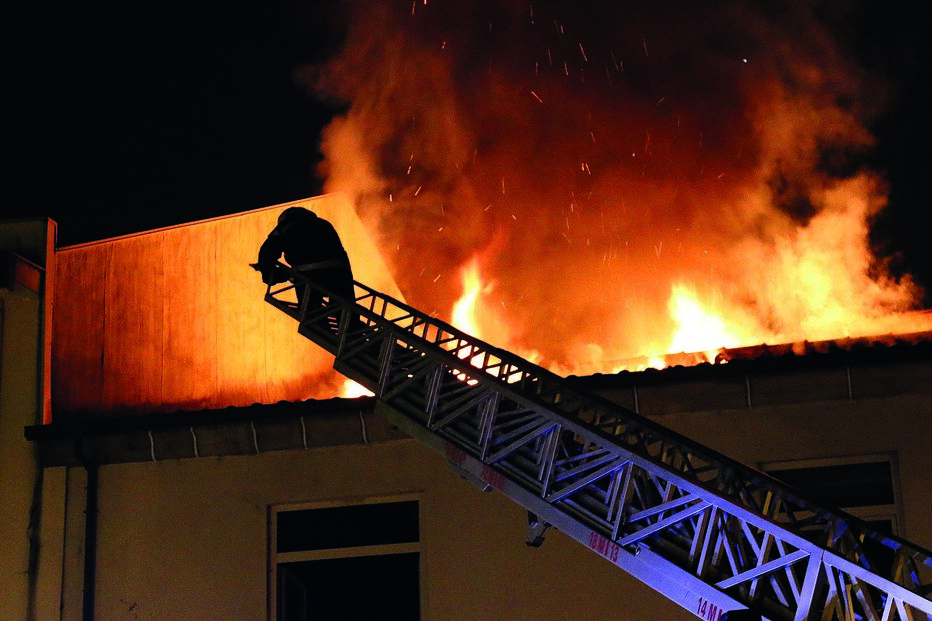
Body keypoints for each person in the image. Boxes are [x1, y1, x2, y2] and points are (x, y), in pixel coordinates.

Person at [253, 207, 358, 330]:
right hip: (340, 273)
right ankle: (354, 330)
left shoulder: (284, 227)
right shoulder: (324, 223)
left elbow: (267, 254)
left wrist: (269, 275)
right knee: (346, 310)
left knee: (312, 312)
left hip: (310, 273)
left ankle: (319, 324)